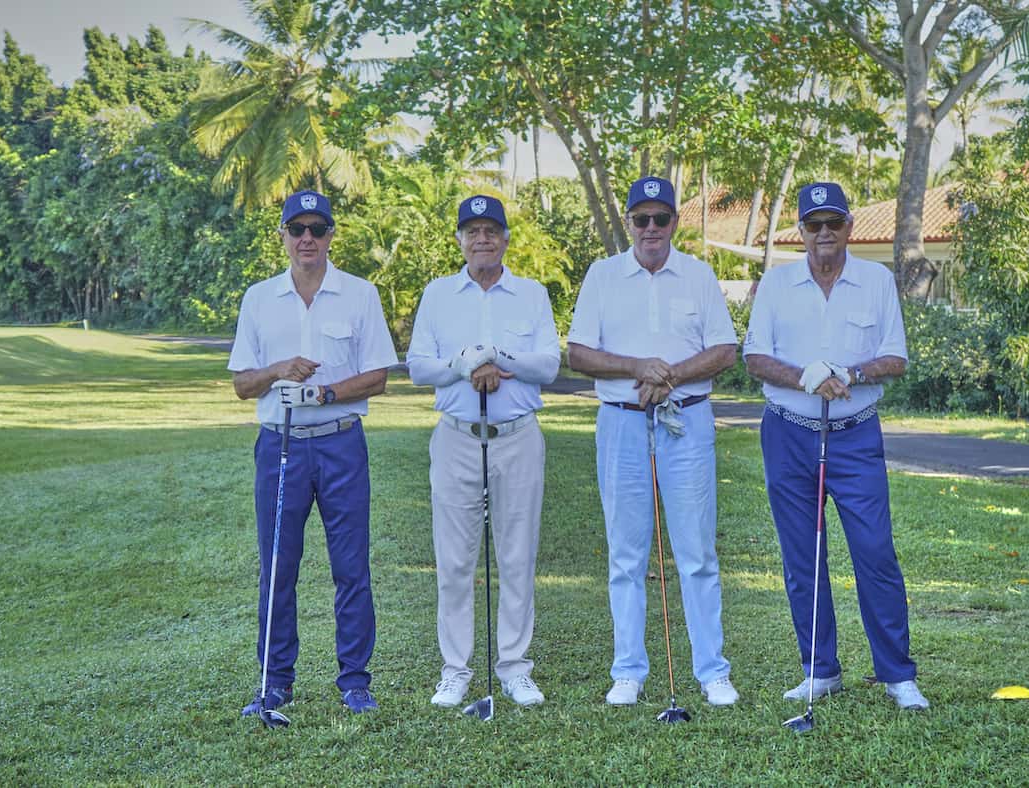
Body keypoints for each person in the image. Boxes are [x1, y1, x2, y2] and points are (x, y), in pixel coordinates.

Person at [743, 182, 929, 710]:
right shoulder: (777, 284)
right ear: (800, 231)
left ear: (849, 227)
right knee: (804, 555)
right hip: (787, 433)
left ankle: (897, 674)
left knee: (875, 553)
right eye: (813, 224)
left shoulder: (876, 280)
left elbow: (895, 358)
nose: (824, 233)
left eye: (834, 223)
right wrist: (807, 377)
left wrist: (847, 371)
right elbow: (755, 358)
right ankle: (820, 669)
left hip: (855, 435)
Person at [567, 176, 741, 707]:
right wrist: (637, 366)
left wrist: (668, 376)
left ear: (673, 223)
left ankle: (712, 671)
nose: (650, 228)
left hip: (686, 420)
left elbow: (725, 351)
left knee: (697, 552)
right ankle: (628, 670)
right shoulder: (602, 276)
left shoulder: (699, 274)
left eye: (660, 219)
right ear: (628, 223)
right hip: (621, 421)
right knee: (625, 553)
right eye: (640, 219)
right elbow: (577, 354)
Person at [228, 190, 398, 716]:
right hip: (280, 447)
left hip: (341, 442)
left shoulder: (359, 293)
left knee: (351, 567)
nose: (307, 238)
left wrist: (326, 392)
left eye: (317, 229)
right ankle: (274, 682)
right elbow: (241, 383)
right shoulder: (259, 298)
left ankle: (355, 681)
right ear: (282, 235)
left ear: (330, 236)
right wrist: (278, 369)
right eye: (296, 229)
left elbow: (379, 376)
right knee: (279, 567)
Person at [406, 195, 560, 709]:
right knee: (453, 561)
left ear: (506, 238)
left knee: (517, 556)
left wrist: (499, 358)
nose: (482, 239)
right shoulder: (437, 294)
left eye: (491, 230)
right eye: (471, 231)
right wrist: (462, 364)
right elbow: (418, 367)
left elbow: (549, 364)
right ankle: (456, 670)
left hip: (517, 436)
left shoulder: (531, 293)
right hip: (456, 436)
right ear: (459, 240)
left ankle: (515, 667)